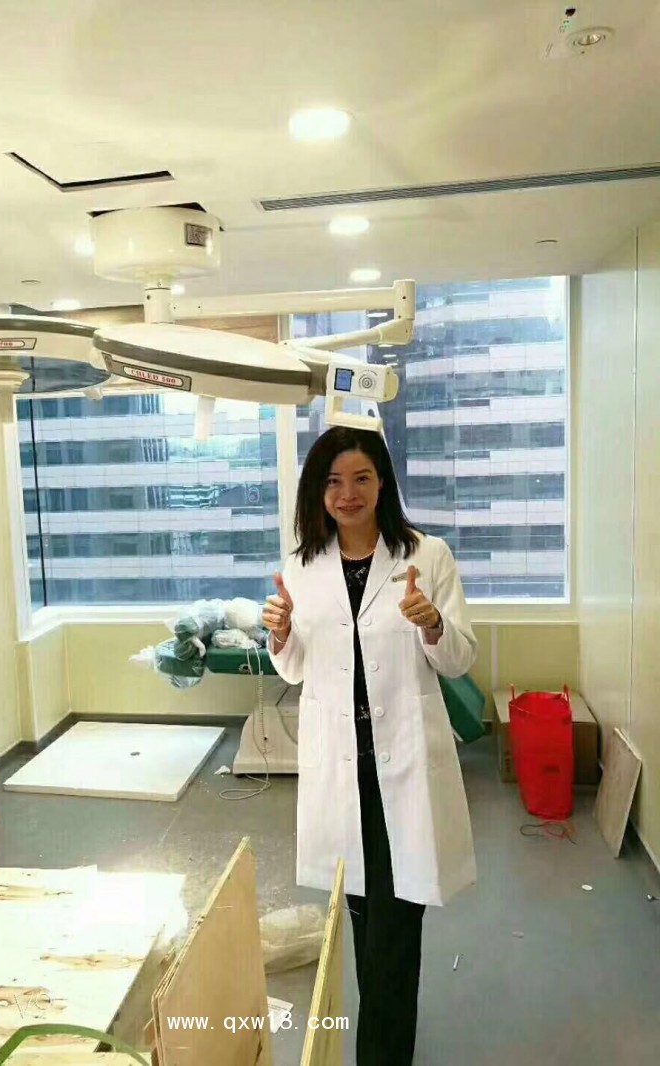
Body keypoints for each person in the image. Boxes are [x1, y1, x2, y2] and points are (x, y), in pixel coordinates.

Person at [263, 425, 477, 1066]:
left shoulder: (427, 556)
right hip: (341, 765)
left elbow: (460, 659)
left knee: (398, 918)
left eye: (361, 478)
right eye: (333, 482)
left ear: (382, 483)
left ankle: (382, 1052)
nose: (347, 493)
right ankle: (383, 1040)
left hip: (404, 766)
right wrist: (279, 635)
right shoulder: (303, 566)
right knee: (362, 909)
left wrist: (433, 624)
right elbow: (295, 670)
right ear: (318, 491)